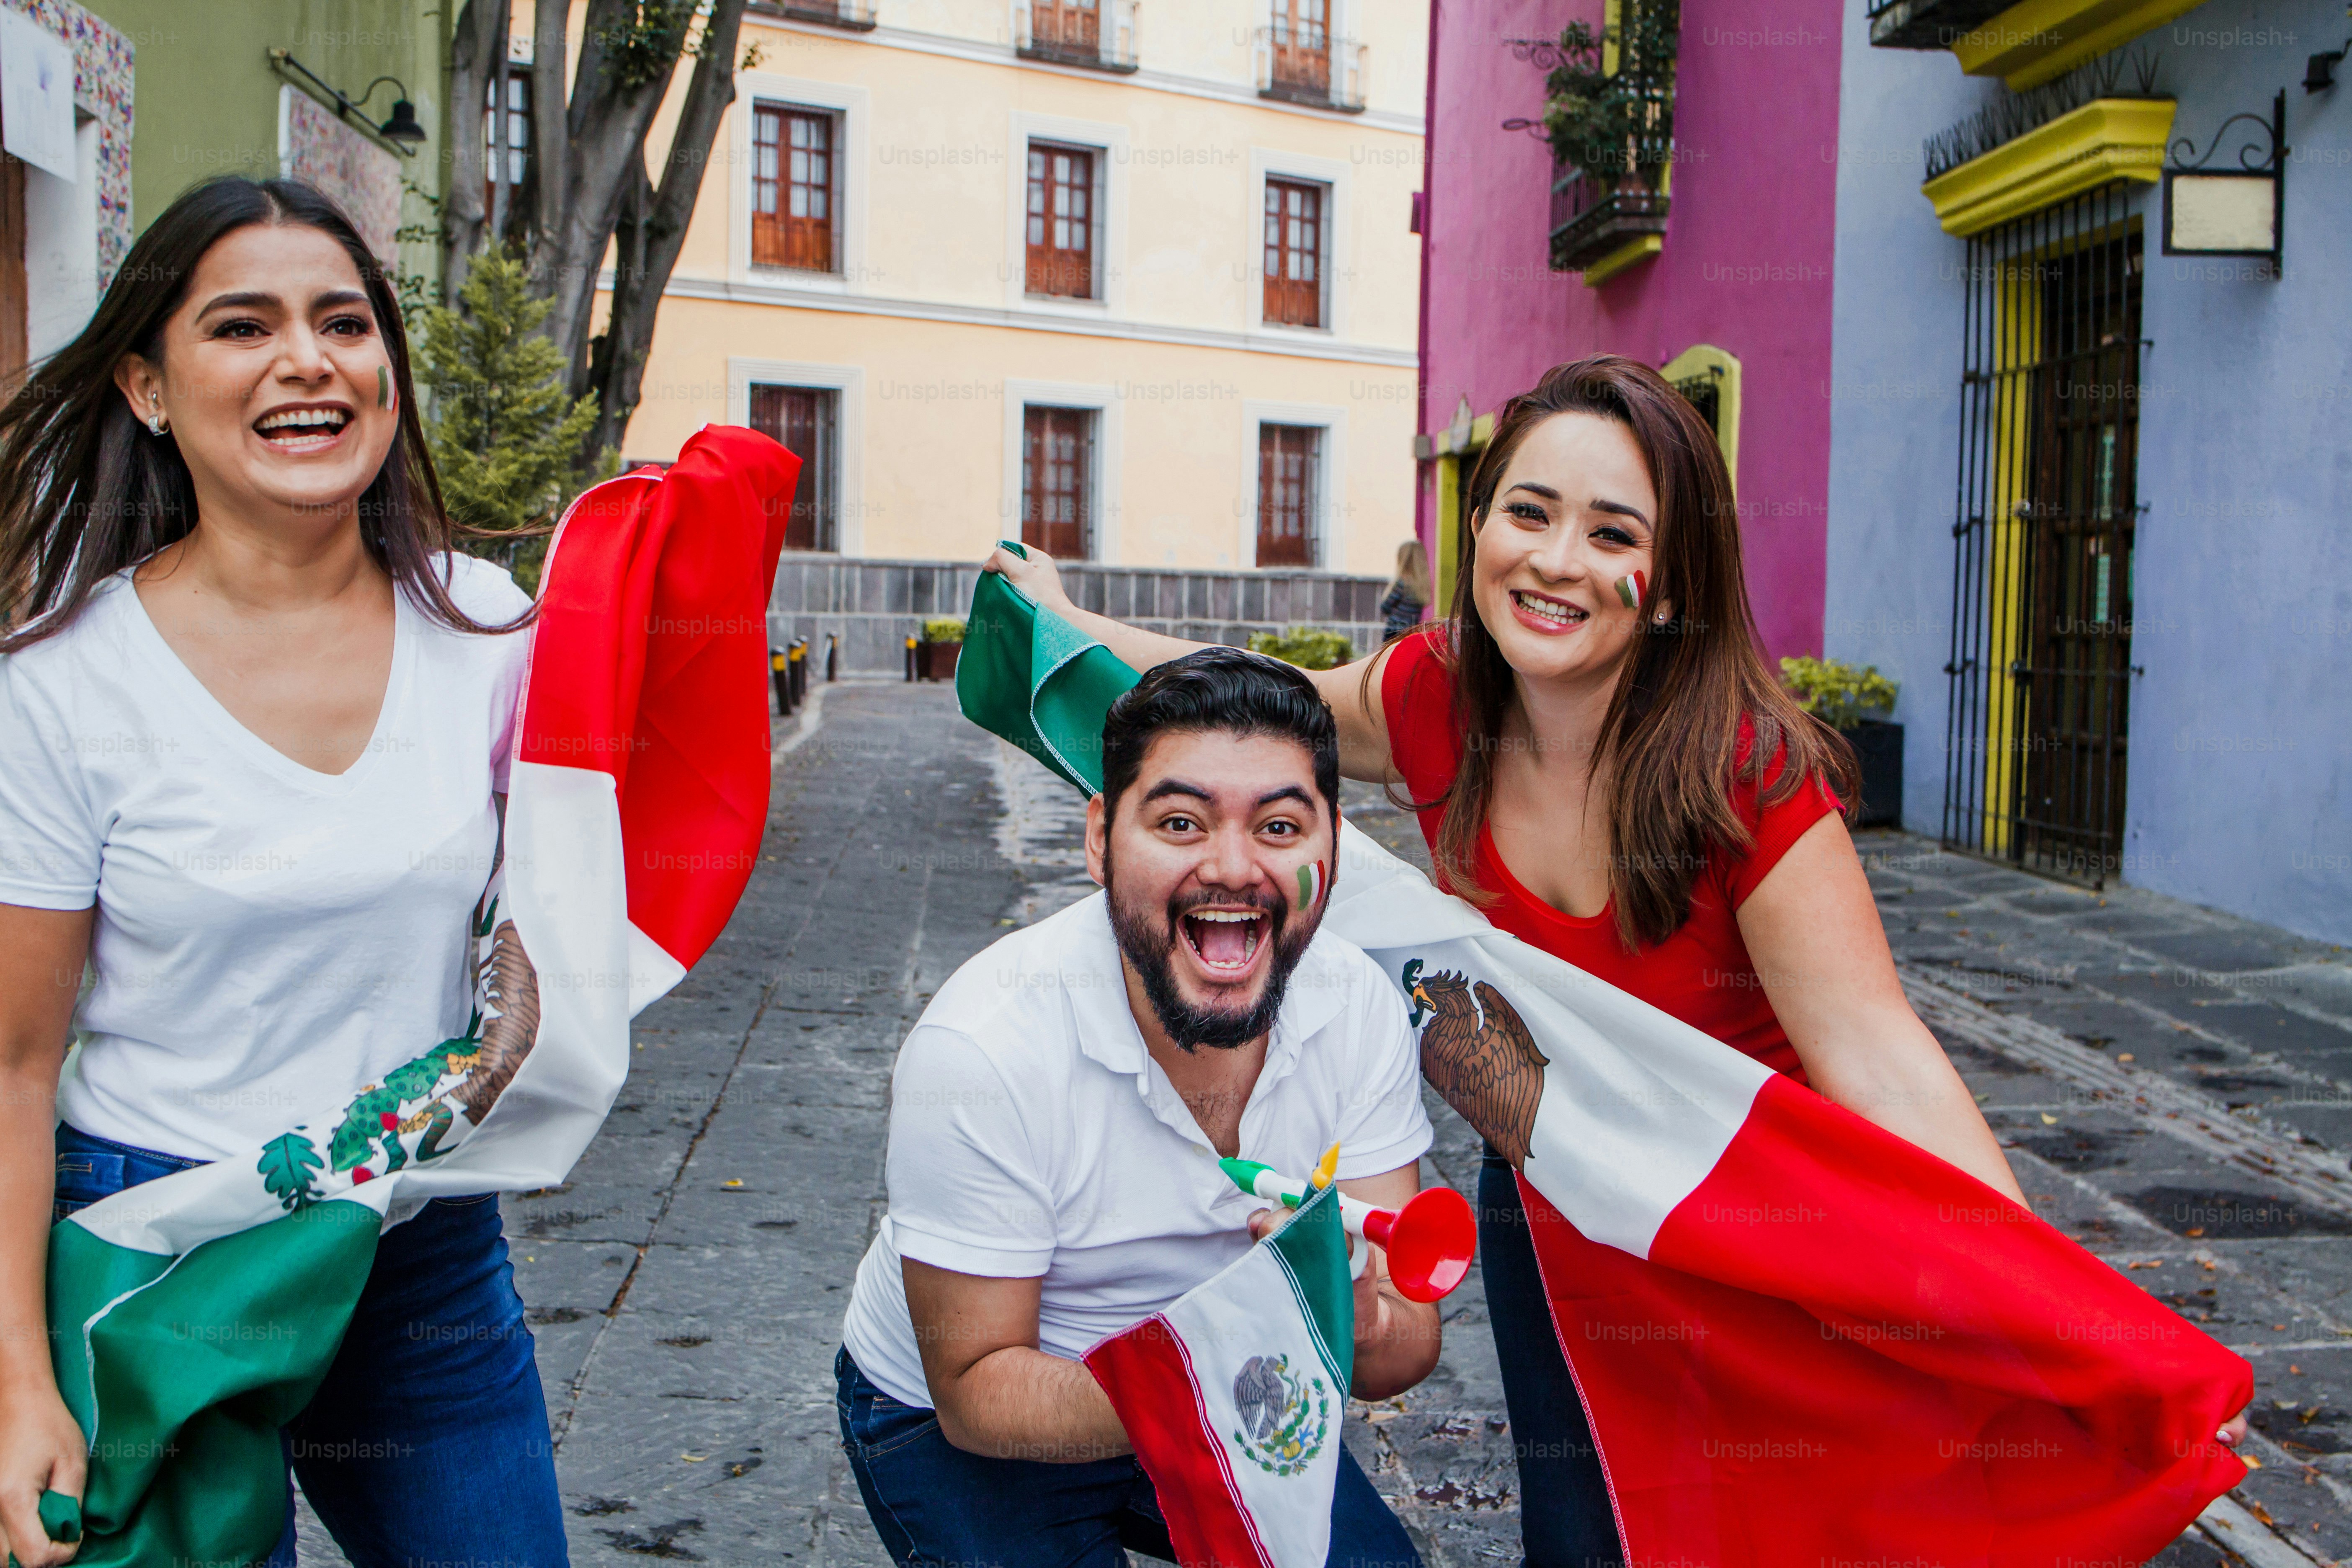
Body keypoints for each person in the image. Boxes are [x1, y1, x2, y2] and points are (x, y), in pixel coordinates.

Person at [981, 355, 2107, 1567]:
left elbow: (1880, 1059)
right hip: (1556, 1208)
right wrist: (1059, 618)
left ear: (1668, 586)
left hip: (1750, 1245)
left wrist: (2042, 1301)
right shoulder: (1434, 697)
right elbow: (1248, 707)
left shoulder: (1749, 777)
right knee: (1585, 1537)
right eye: (1529, 512)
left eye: (1610, 531)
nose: (1557, 560)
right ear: (1478, 531)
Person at [0, 178, 565, 1566]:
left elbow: (591, 893)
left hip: (413, 1238)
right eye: (242, 326)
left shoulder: (489, 630)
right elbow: (13, 1060)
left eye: (343, 323)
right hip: (164, 1242)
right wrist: (15, 1378)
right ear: (146, 384)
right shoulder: (63, 685)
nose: (307, 360)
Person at [836, 649, 1435, 1568]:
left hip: (1234, 1390)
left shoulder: (1357, 1007)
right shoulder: (984, 1046)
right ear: (1099, 838)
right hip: (980, 1421)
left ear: (1334, 851)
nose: (1232, 868)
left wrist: (1346, 1316)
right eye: (1182, 821)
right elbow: (976, 1390)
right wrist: (1240, 1360)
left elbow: (1405, 1341)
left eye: (1279, 826)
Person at [1380, 539, 1429, 642]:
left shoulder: (1402, 583)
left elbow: (1385, 608)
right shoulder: (1421, 586)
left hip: (1394, 631)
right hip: (1411, 633)